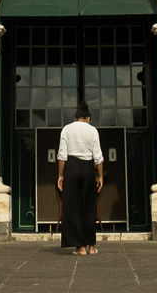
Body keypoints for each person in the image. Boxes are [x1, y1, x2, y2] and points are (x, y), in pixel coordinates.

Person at [56, 100, 103, 255]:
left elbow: (62, 155)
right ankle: (91, 246)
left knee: (73, 207)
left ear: (75, 117)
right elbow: (98, 157)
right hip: (88, 168)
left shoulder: (67, 129)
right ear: (88, 118)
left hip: (72, 167)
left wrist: (61, 175)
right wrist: (100, 176)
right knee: (89, 207)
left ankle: (80, 247)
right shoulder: (93, 130)